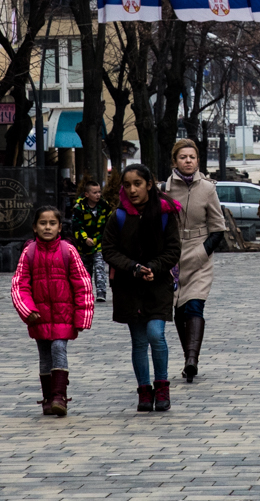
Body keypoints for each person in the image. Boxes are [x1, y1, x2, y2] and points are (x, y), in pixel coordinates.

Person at [105, 163, 179, 412]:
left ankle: (162, 385)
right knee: (138, 341)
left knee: (156, 335)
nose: (132, 190)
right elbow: (109, 250)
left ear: (149, 184)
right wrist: (134, 268)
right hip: (128, 286)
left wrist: (153, 268)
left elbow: (173, 250)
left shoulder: (166, 213)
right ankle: (144, 391)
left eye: (137, 184)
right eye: (127, 185)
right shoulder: (118, 216)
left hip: (158, 284)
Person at [13, 204, 94, 417]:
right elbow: (20, 285)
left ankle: (59, 396)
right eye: (43, 223)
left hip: (63, 316)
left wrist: (82, 317)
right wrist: (27, 310)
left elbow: (82, 283)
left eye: (52, 223)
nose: (47, 227)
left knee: (58, 348)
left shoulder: (68, 251)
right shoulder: (29, 252)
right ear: (34, 227)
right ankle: (48, 398)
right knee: (44, 357)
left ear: (59, 228)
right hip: (39, 317)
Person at [164, 138, 228, 382]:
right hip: (172, 254)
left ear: (198, 160)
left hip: (199, 253)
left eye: (192, 157)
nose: (188, 161)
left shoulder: (208, 189)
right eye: (183, 157)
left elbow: (218, 228)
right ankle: (187, 356)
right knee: (178, 309)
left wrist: (204, 251)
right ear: (175, 161)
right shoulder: (165, 189)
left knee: (194, 305)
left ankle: (192, 359)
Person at [67, 179, 111, 300]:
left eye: (99, 192)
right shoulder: (79, 208)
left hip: (99, 243)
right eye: (95, 192)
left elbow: (108, 226)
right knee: (85, 271)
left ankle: (101, 292)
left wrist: (98, 240)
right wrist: (85, 238)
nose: (98, 195)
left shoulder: (104, 206)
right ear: (87, 194)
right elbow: (76, 227)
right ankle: (86, 292)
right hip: (83, 246)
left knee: (99, 267)